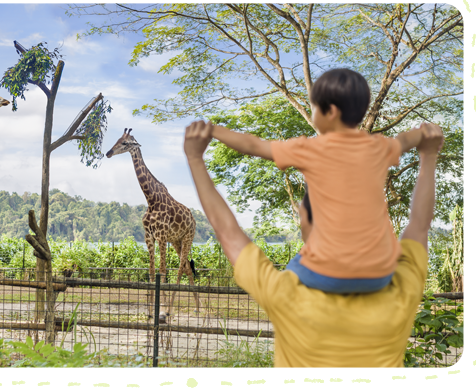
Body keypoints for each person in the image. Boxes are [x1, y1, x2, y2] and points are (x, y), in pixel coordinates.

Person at [183, 119, 444, 369]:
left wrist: (195, 158)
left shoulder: (287, 295)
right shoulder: (399, 289)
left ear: (306, 221)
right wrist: (428, 157)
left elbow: (227, 231)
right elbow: (419, 225)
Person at [210, 68, 426, 293]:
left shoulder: (310, 148)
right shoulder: (380, 147)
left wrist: (213, 130)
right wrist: (424, 132)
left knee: (289, 275)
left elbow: (254, 146)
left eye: (313, 107)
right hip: (380, 273)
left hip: (329, 274)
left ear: (330, 111)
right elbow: (405, 140)